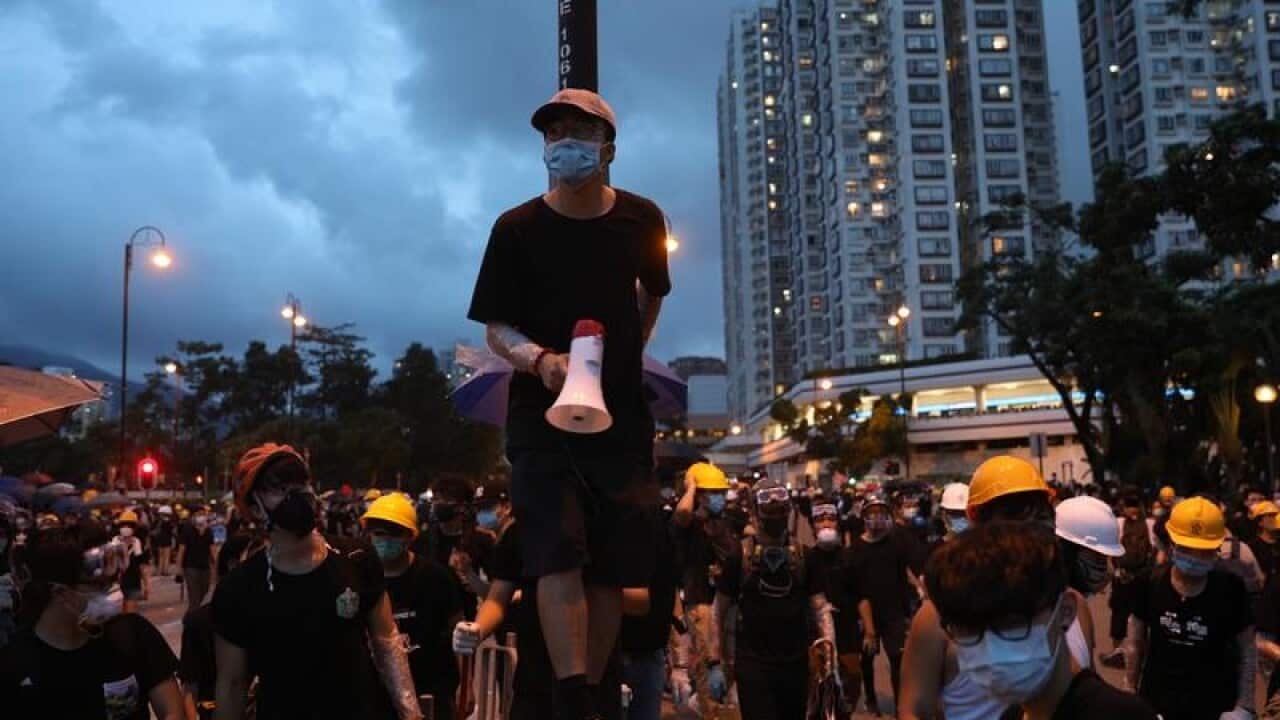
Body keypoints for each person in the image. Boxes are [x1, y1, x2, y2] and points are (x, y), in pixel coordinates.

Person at [466, 87, 670, 720]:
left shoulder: (643, 219)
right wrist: (542, 361)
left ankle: (596, 694)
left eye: (578, 133)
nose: (564, 145)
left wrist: (630, 349)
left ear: (607, 148)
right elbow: (494, 329)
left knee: (610, 563)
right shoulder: (516, 228)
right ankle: (571, 692)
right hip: (540, 412)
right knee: (555, 546)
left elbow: (653, 294)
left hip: (621, 417)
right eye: (553, 135)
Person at [211, 443, 422, 720]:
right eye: (280, 488)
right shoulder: (238, 588)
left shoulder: (357, 557)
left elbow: (387, 643)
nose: (297, 495)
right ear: (254, 506)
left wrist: (411, 713)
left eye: (301, 484)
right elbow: (232, 684)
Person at [900, 455, 1097, 720]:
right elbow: (914, 710)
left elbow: (1088, 694)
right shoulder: (934, 619)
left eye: (1038, 517)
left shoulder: (1072, 606)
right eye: (1012, 519)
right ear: (976, 523)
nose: (1024, 536)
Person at [926, 522, 1160, 719]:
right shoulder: (1013, 715)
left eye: (1011, 623)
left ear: (1065, 612)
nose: (990, 645)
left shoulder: (1123, 716)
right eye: (969, 628)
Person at [0, 525, 184, 719]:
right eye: (99, 586)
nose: (114, 592)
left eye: (113, 582)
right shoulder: (14, 660)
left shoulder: (132, 634)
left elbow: (172, 711)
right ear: (60, 592)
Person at [707, 477, 836, 720]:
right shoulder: (739, 557)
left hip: (796, 664)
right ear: (756, 512)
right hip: (752, 665)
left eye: (780, 511)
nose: (775, 517)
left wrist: (829, 658)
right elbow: (718, 610)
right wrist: (714, 662)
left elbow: (821, 610)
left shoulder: (805, 557)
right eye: (769, 510)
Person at [1126, 497, 1257, 720]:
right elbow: (1135, 643)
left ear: (1217, 548)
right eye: (1188, 549)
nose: (1196, 558)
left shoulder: (1231, 588)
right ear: (1171, 545)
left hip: (1215, 706)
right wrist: (1129, 692)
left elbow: (1246, 649)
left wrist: (1244, 706)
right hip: (1157, 704)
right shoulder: (1149, 582)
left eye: (1205, 551)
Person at [362, 493, 465, 720]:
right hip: (378, 697)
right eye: (378, 533)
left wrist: (466, 685)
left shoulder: (435, 577)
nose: (384, 540)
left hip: (433, 692)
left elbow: (459, 632)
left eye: (394, 534)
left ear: (410, 537)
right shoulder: (360, 579)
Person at [671, 461, 740, 719]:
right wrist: (690, 488)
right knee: (707, 668)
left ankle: (705, 708)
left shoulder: (723, 522)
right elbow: (682, 514)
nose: (719, 497)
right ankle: (706, 710)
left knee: (728, 666)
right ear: (699, 495)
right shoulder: (687, 525)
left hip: (727, 602)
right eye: (712, 492)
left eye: (720, 492)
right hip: (701, 603)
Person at [848, 492, 923, 714]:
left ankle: (901, 706)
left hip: (894, 612)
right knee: (867, 658)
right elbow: (858, 590)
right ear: (864, 517)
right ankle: (870, 698)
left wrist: (919, 588)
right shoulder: (856, 549)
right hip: (867, 612)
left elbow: (908, 568)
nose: (878, 518)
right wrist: (868, 629)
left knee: (898, 658)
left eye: (882, 513)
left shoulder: (897, 542)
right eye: (872, 514)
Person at [180, 532, 257, 719]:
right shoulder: (200, 620)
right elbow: (190, 686)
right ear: (233, 564)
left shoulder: (279, 614)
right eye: (259, 559)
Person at [808, 496, 867, 715]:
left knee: (852, 677)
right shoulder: (807, 558)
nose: (825, 524)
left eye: (831, 519)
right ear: (813, 525)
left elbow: (862, 595)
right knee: (818, 683)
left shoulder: (849, 557)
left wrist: (869, 630)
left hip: (848, 631)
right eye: (820, 520)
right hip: (816, 635)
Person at [1053, 496, 1124, 667]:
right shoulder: (1049, 611)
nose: (1105, 568)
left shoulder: (1078, 606)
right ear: (1067, 551)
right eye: (1096, 557)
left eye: (1105, 557)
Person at [1099, 490, 1157, 669]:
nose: (1131, 510)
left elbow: (1154, 552)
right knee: (1127, 614)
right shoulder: (1134, 524)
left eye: (1132, 506)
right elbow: (1110, 550)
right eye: (1129, 506)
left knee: (1129, 614)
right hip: (1132, 576)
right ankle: (1127, 652)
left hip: (1132, 577)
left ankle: (1127, 652)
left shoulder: (1136, 524)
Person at [175, 506, 216, 612]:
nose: (201, 516)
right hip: (190, 567)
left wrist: (217, 566)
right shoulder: (187, 529)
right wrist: (178, 568)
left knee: (204, 594)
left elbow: (213, 551)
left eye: (203, 514)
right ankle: (192, 622)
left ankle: (195, 618)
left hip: (205, 567)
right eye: (199, 514)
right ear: (193, 516)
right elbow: (181, 550)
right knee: (194, 598)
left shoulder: (209, 531)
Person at [114, 509, 148, 612]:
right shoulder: (114, 542)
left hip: (133, 582)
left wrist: (146, 585)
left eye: (129, 526)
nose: (126, 528)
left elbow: (141, 565)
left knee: (131, 615)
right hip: (117, 584)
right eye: (123, 525)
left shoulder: (137, 542)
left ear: (134, 528)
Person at [1249, 500, 1280, 584]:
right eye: (1271, 515)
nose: (1275, 519)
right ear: (1260, 522)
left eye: (1276, 515)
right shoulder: (1253, 546)